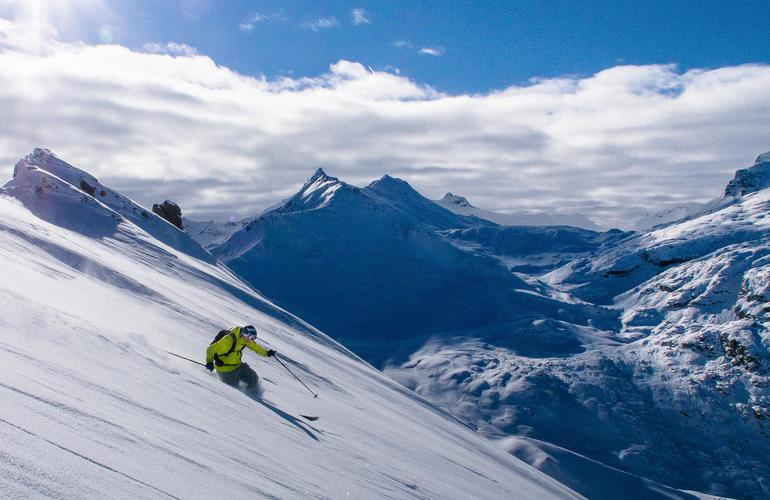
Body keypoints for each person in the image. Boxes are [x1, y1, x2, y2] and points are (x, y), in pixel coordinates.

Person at [205, 325, 275, 388]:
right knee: (234, 389)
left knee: (253, 379)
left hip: (237, 365)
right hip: (226, 370)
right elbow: (210, 349)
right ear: (245, 334)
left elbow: (256, 347)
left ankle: (251, 395)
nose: (251, 340)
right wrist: (209, 362)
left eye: (253, 338)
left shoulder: (245, 340)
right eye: (251, 337)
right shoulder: (229, 340)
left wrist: (267, 352)